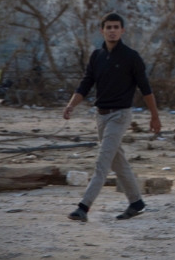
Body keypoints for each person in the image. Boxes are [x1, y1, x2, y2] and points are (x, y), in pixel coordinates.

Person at [63, 13, 161, 222]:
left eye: (116, 27)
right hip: (101, 116)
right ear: (102, 31)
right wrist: (71, 105)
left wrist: (155, 117)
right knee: (118, 162)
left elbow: (146, 89)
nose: (112, 30)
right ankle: (136, 203)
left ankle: (83, 207)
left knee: (103, 161)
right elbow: (86, 84)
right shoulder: (96, 56)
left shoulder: (131, 57)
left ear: (122, 30)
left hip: (120, 115)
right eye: (108, 27)